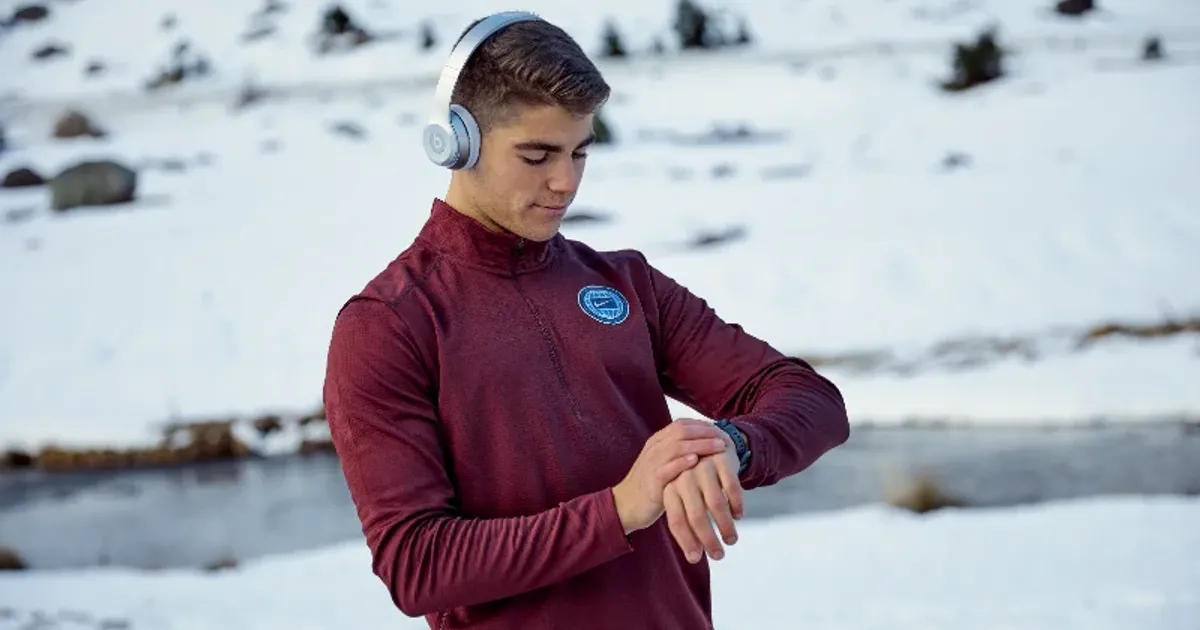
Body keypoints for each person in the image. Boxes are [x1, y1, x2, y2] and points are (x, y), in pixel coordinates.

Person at [322, 11, 850, 630]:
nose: (565, 181)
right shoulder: (388, 324)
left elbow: (814, 401)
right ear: (456, 141)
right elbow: (418, 566)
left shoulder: (626, 283)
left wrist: (731, 446)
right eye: (536, 154)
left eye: (579, 151)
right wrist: (622, 508)